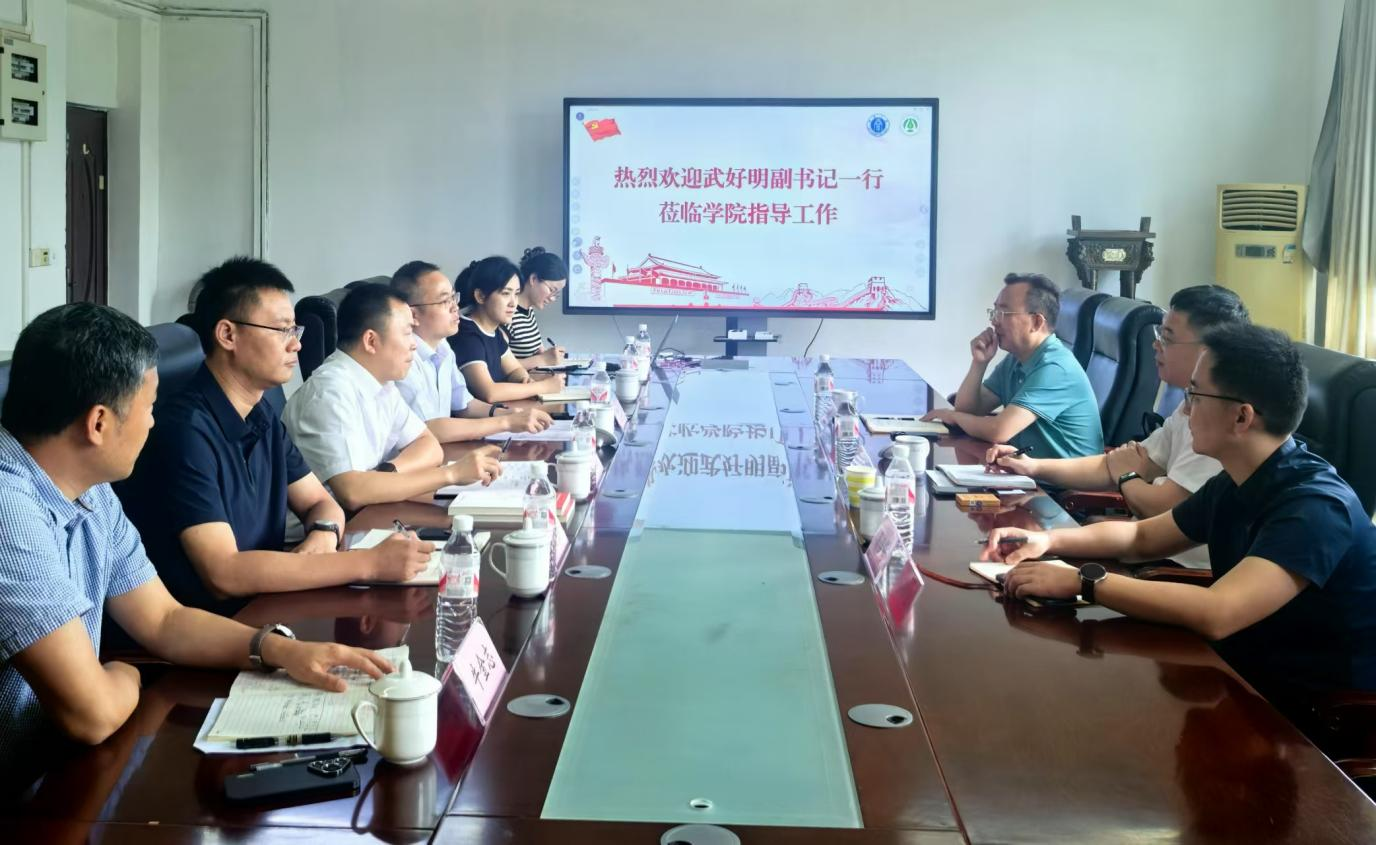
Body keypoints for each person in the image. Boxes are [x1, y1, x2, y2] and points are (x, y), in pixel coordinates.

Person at [0, 303, 394, 761]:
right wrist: (125, 672)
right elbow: (92, 714)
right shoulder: (10, 510)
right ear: (99, 423)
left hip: (59, 757)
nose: (153, 422)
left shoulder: (93, 491)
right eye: (149, 407)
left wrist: (280, 650)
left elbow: (164, 619)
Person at [988, 324, 1376, 700]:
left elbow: (1219, 612)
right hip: (1244, 671)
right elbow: (1141, 537)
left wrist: (1084, 582)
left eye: (1195, 396)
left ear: (1242, 417)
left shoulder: (1316, 508)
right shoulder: (1237, 480)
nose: (1186, 410)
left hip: (1314, 712)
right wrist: (1046, 540)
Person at [116, 258, 434, 613]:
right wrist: (369, 563)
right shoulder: (185, 432)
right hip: (213, 625)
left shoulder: (260, 412)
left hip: (267, 602)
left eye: (295, 330)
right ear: (227, 335)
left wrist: (324, 532)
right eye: (282, 330)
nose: (295, 345)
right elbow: (224, 573)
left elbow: (319, 501)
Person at [984, 284, 1249, 569]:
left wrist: (1127, 476)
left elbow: (1158, 506)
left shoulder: (1220, 426)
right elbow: (1112, 467)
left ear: (1207, 350)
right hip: (1139, 546)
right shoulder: (1187, 408)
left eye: (1167, 337)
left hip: (1167, 570)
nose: (1156, 344)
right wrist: (1031, 467)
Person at [284, 283, 501, 512]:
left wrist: (386, 473)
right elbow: (353, 492)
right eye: (407, 333)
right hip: (329, 527)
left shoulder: (381, 382)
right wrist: (452, 474)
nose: (414, 344)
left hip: (371, 510)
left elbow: (428, 445)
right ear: (371, 341)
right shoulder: (329, 392)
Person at [923, 273, 1102, 459]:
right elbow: (968, 411)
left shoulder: (1055, 368)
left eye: (1003, 313)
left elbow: (999, 430)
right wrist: (979, 363)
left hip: (1062, 477)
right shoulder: (1016, 358)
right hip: (1026, 468)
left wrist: (952, 416)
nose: (994, 321)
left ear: (1036, 322)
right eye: (994, 312)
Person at [390, 260, 553, 443]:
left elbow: (465, 405)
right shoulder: (404, 358)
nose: (455, 307)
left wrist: (509, 413)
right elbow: (427, 429)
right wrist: (506, 422)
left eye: (453, 297)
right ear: (413, 314)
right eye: (444, 301)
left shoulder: (443, 347)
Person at [449, 256, 565, 404]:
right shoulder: (467, 335)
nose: (513, 303)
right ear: (480, 296)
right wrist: (543, 387)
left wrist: (525, 380)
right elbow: (489, 392)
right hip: (479, 416)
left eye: (516, 293)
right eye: (505, 293)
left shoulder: (493, 331)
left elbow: (514, 369)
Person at [507, 246, 568, 367]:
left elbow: (537, 351)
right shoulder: (507, 312)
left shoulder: (528, 310)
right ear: (533, 279)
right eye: (552, 290)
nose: (552, 298)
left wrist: (549, 355)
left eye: (556, 295)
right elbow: (500, 366)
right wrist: (543, 359)